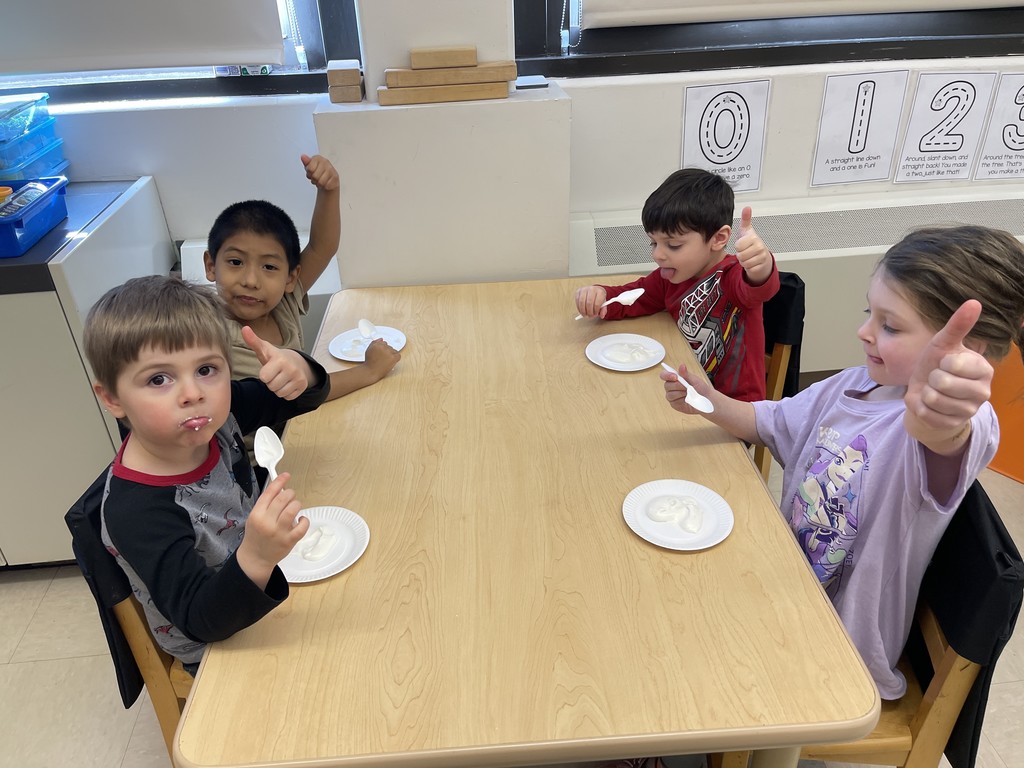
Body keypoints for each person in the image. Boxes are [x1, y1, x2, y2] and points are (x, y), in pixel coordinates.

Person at [661, 225, 1024, 700]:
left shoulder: (960, 427)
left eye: (890, 326)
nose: (865, 331)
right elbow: (769, 421)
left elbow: (946, 438)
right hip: (785, 585)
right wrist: (708, 401)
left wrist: (941, 415)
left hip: (838, 651)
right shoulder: (851, 385)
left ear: (966, 349)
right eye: (869, 313)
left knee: (674, 653)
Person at [84, 275, 331, 672]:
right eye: (158, 379)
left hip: (263, 579)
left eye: (206, 369)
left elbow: (302, 398)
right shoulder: (136, 511)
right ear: (113, 398)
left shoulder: (219, 417)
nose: (193, 393)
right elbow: (200, 621)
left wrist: (299, 368)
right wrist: (257, 554)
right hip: (217, 648)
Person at [203, 153, 400, 402]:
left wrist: (329, 190)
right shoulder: (211, 334)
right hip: (261, 440)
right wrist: (369, 371)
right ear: (211, 265)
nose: (251, 281)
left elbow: (322, 247)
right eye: (236, 262)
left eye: (269, 267)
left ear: (290, 278)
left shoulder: (281, 301)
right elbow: (297, 396)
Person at [574, 167, 780, 401]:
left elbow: (760, 286)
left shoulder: (732, 277)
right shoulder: (671, 277)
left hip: (738, 412)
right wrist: (600, 295)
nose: (658, 255)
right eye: (653, 243)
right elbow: (633, 297)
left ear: (718, 238)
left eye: (673, 245)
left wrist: (761, 265)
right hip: (688, 393)